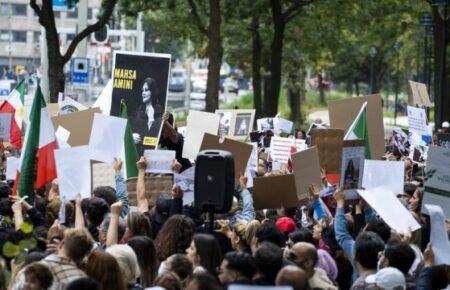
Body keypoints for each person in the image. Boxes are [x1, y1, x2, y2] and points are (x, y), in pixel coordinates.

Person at [132, 77, 164, 155]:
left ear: (152, 91)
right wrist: (131, 136)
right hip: (139, 156)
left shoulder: (161, 112)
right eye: (142, 90)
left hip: (154, 155)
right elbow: (131, 129)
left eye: (146, 90)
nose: (143, 93)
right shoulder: (139, 111)